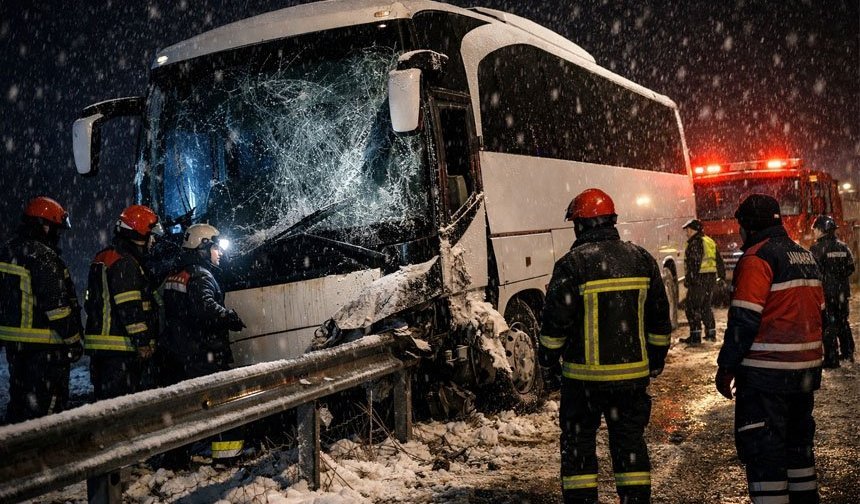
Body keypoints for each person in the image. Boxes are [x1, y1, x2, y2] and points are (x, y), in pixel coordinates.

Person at [539, 188, 672, 504]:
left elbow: (555, 325)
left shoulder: (571, 264)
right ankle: (635, 500)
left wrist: (548, 362)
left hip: (582, 382)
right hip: (630, 381)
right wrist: (654, 360)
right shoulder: (642, 259)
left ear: (580, 225)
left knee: (578, 446)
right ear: (611, 220)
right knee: (629, 445)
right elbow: (659, 321)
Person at [716, 194, 824, 504]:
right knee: (798, 449)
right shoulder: (804, 256)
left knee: (765, 451)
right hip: (804, 373)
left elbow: (744, 320)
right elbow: (822, 316)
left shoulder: (756, 259)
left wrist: (727, 367)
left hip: (767, 376)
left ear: (748, 226)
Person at [159, 223, 245, 465]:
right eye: (216, 248)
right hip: (203, 352)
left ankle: (175, 458)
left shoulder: (177, 273)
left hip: (180, 353)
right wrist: (228, 316)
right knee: (225, 402)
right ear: (202, 247)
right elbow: (205, 307)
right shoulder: (201, 275)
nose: (219, 254)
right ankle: (227, 458)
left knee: (183, 409)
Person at [0, 197, 83, 423]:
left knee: (21, 404)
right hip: (45, 349)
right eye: (56, 229)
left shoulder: (7, 251)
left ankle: (20, 454)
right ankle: (48, 456)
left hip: (16, 347)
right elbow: (58, 309)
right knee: (47, 412)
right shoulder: (43, 257)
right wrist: (74, 341)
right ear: (44, 225)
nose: (57, 235)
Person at [84, 205, 163, 400]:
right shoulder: (126, 263)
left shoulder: (105, 256)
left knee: (107, 408)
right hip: (121, 350)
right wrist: (143, 342)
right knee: (122, 408)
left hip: (104, 349)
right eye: (151, 235)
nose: (153, 241)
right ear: (139, 233)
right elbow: (129, 306)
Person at [810, 214, 855, 366]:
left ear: (822, 230)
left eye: (815, 229)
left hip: (826, 293)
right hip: (842, 292)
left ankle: (831, 358)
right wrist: (838, 279)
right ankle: (848, 352)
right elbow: (851, 268)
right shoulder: (843, 247)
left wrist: (826, 280)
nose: (814, 232)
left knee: (828, 324)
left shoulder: (816, 248)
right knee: (843, 321)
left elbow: (813, 272)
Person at [680, 218, 726, 345]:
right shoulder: (709, 241)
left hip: (699, 280)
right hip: (710, 279)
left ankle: (695, 337)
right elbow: (719, 260)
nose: (687, 232)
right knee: (706, 306)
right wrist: (721, 276)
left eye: (688, 230)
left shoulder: (695, 243)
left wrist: (689, 280)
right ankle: (711, 333)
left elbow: (694, 263)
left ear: (694, 230)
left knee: (692, 307)